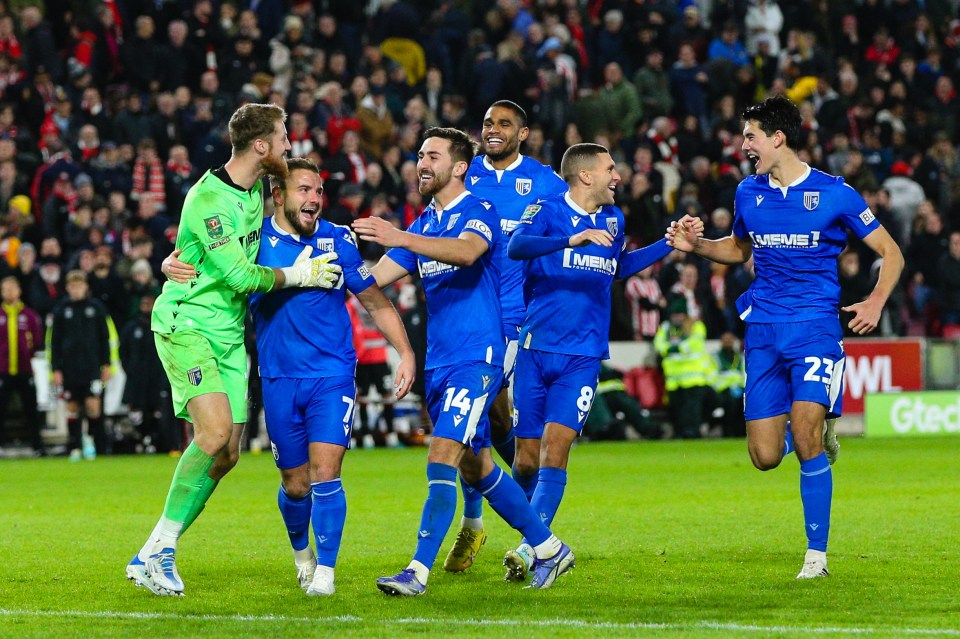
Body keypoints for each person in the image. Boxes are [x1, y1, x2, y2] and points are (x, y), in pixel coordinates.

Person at [668, 95, 904, 579]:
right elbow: (737, 250)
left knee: (806, 437)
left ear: (777, 138)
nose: (744, 145)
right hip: (762, 331)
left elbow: (891, 252)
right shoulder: (747, 193)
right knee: (764, 456)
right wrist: (696, 246)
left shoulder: (835, 193)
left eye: (751, 136)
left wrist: (876, 301)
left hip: (815, 328)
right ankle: (815, 429)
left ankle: (816, 557)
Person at [125, 103, 344, 598]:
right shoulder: (209, 199)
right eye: (284, 137)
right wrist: (300, 275)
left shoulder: (255, 192)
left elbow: (283, 215)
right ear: (261, 146)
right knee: (214, 432)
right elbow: (243, 276)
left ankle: (152, 552)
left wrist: (175, 254)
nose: (290, 144)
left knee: (226, 454)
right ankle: (159, 549)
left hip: (228, 334)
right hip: (188, 324)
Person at [353, 127, 574, 595]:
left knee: (442, 454)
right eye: (419, 155)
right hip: (440, 362)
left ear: (459, 167)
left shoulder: (477, 211)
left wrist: (400, 238)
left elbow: (469, 252)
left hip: (478, 356)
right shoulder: (426, 223)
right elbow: (374, 279)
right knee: (477, 467)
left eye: (432, 155)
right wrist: (321, 265)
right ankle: (551, 549)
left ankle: (417, 571)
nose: (421, 163)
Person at [501, 142, 693, 581]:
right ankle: (536, 539)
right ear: (585, 176)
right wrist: (573, 237)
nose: (617, 177)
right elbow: (516, 247)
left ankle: (536, 553)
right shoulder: (547, 209)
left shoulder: (613, 218)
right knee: (526, 459)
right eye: (610, 169)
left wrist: (668, 245)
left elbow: (618, 266)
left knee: (556, 449)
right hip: (534, 351)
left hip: (583, 356)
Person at [442, 100, 567, 573]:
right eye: (489, 123)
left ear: (523, 134)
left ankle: (479, 524)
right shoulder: (463, 173)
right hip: (468, 318)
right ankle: (528, 511)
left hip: (517, 319)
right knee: (494, 427)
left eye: (504, 124)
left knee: (473, 418)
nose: (493, 130)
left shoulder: (545, 182)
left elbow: (572, 228)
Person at [49, 270, 112, 461]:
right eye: (72, 286)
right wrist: (56, 369)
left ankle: (91, 441)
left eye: (79, 285)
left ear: (86, 287)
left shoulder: (96, 308)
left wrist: (107, 364)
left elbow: (104, 338)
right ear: (68, 288)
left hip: (92, 366)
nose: (75, 289)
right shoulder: (61, 310)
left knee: (93, 405)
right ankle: (75, 445)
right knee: (72, 407)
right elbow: (55, 342)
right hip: (69, 368)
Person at [653, 295, 715, 439]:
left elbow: (694, 344)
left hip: (694, 377)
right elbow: (659, 345)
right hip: (674, 379)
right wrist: (675, 348)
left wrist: (673, 348)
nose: (677, 318)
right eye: (674, 315)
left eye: (680, 314)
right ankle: (680, 433)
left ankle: (693, 433)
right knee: (676, 408)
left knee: (693, 409)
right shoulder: (666, 327)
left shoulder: (696, 326)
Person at [0, 276, 45, 455]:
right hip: (2, 370)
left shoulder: (30, 315)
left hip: (25, 369)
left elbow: (38, 340)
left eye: (12, 288)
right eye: (5, 288)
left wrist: (28, 351)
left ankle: (37, 446)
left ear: (19, 291)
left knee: (31, 410)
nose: (9, 292)